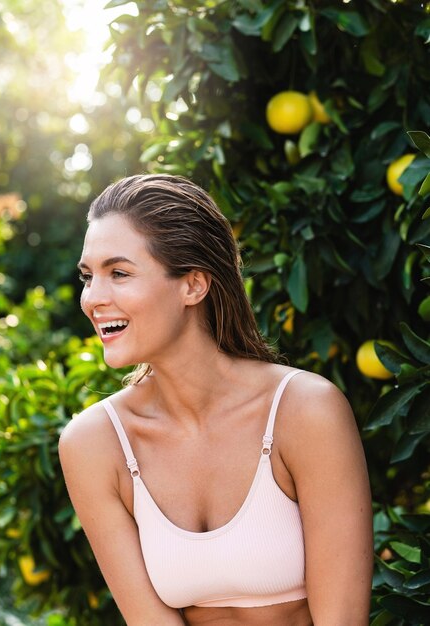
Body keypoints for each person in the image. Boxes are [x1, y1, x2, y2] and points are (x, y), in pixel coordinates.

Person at [59, 174, 373, 626]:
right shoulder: (92, 444)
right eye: (89, 277)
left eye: (119, 274)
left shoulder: (304, 411)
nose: (93, 299)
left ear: (193, 285)